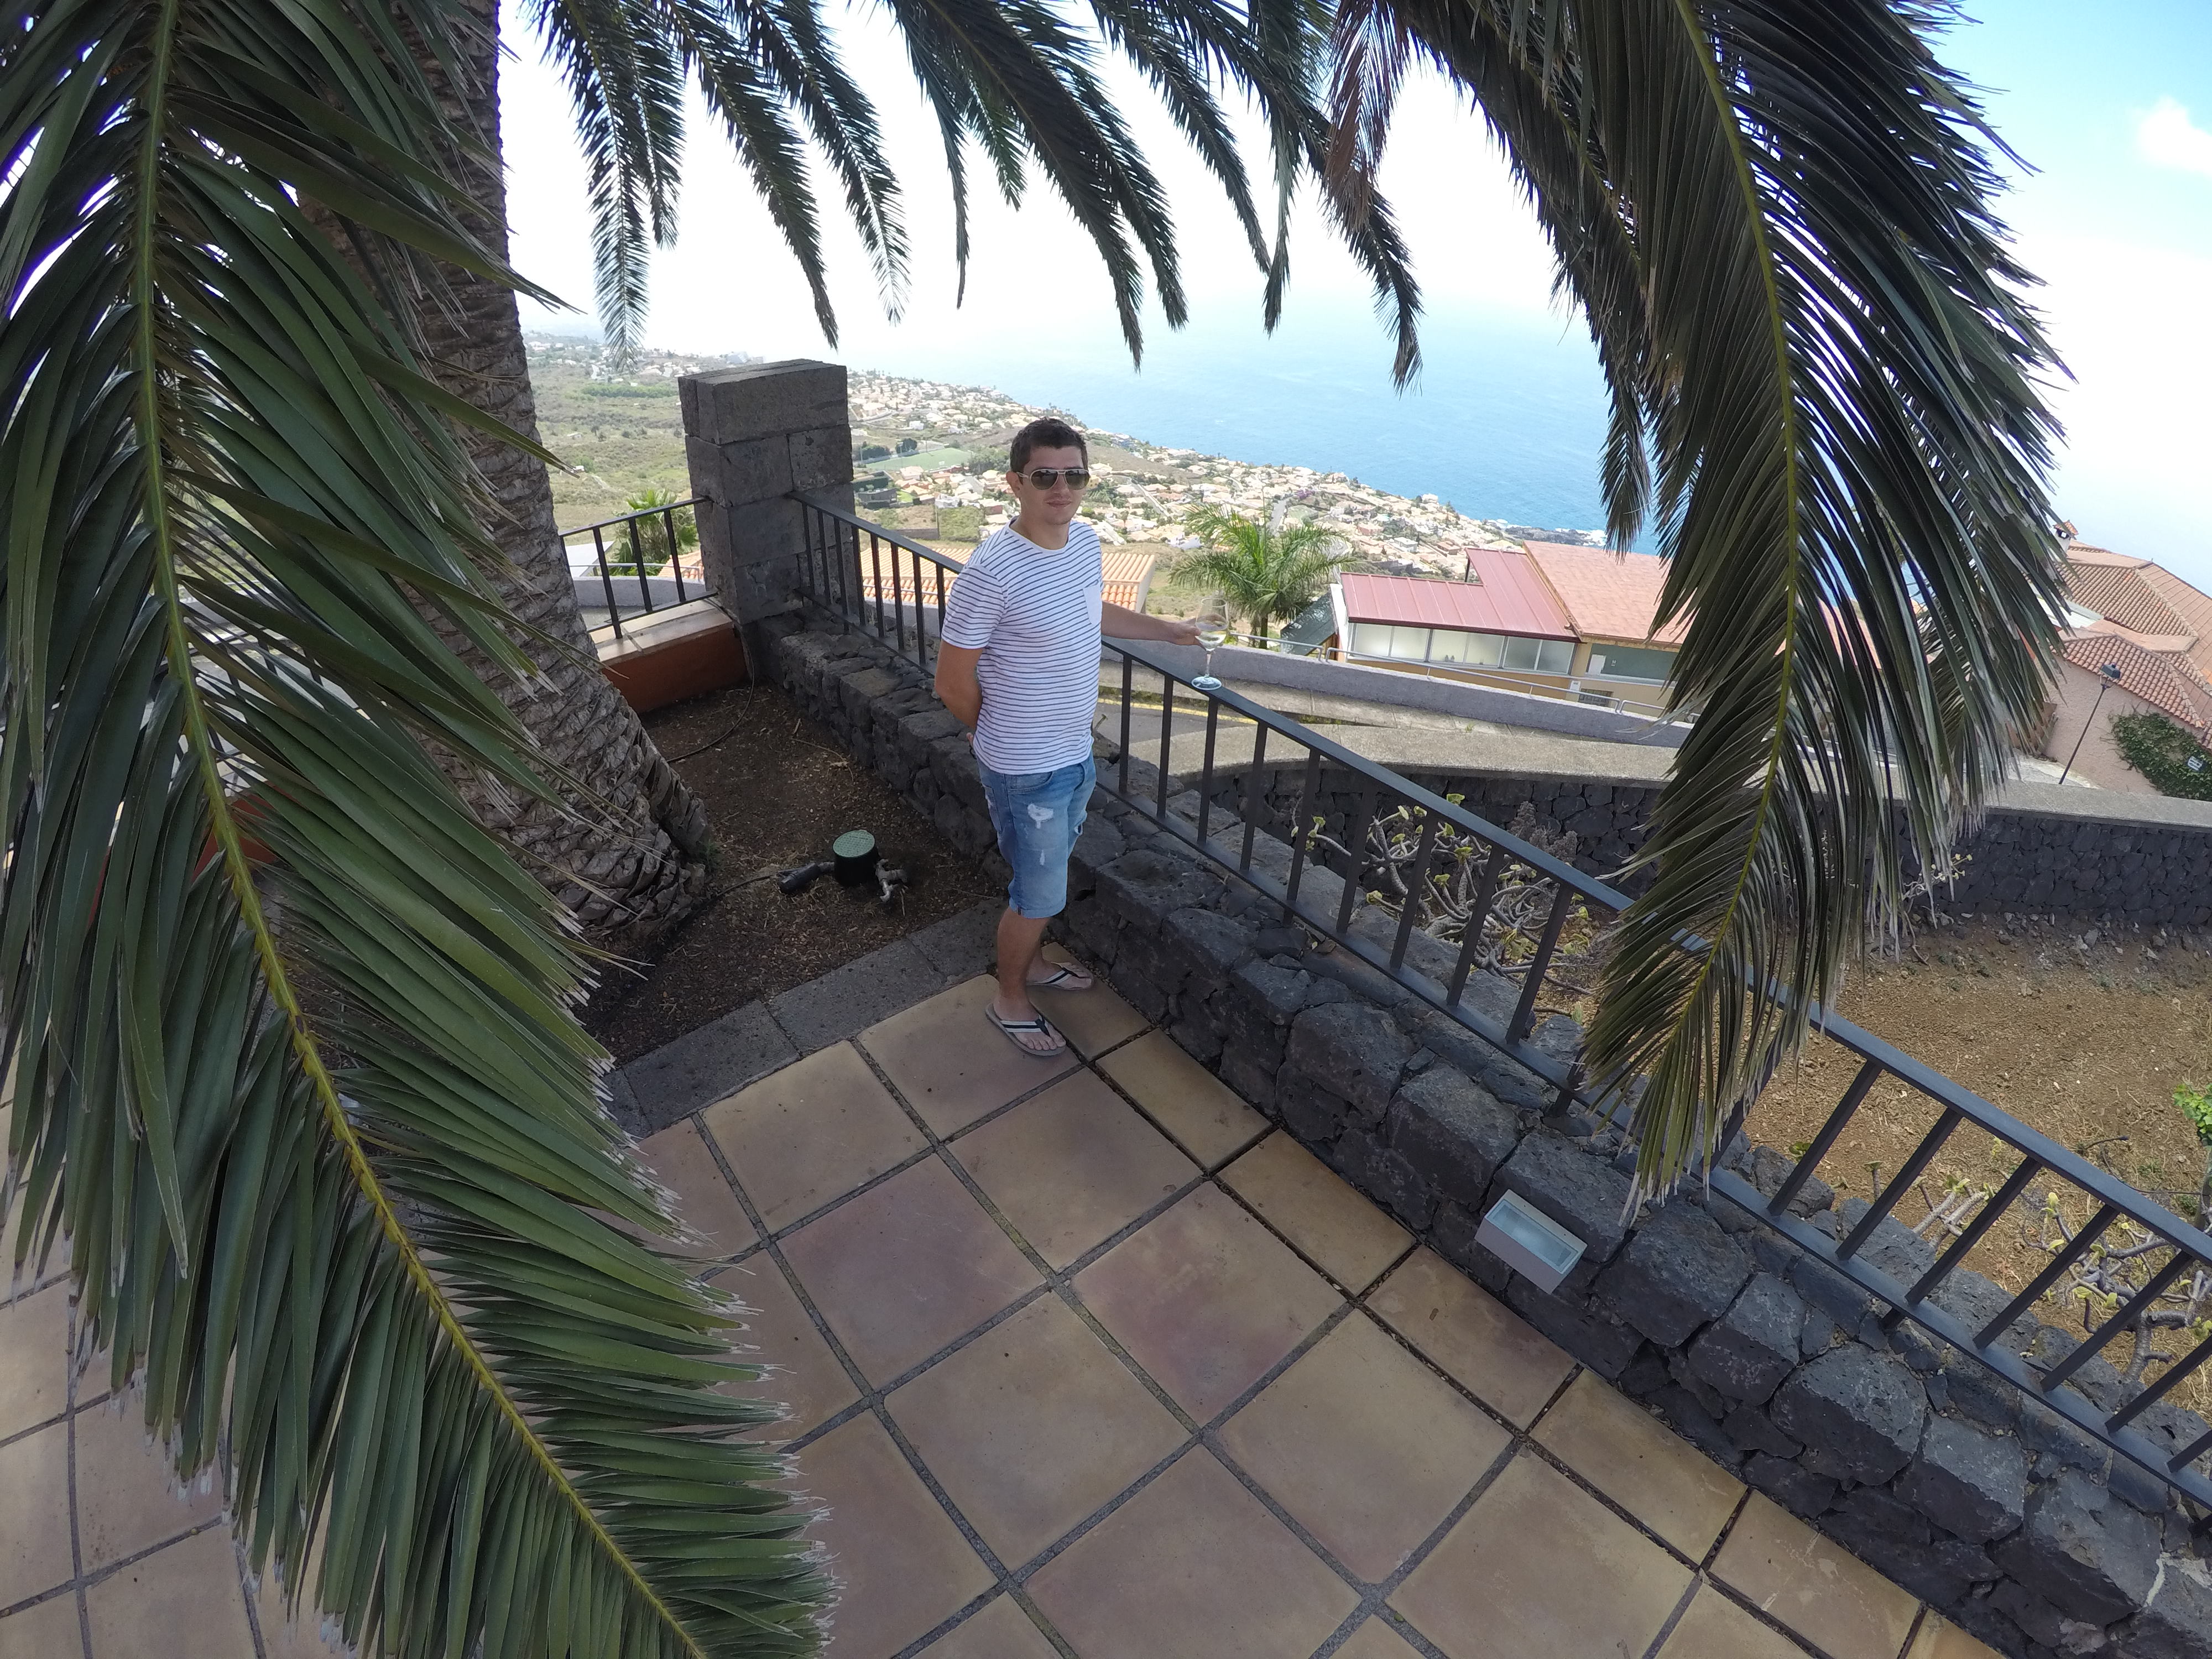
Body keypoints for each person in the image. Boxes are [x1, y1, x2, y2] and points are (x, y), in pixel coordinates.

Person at [935, 416, 1199, 1056]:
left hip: (1074, 753)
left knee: (1038, 878)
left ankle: (1032, 963)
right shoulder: (992, 573)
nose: (1062, 487)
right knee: (1037, 894)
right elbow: (950, 682)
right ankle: (1010, 997)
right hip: (1028, 768)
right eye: (1045, 476)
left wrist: (1166, 630)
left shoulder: (1082, 542)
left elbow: (1090, 609)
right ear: (1015, 483)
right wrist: (994, 734)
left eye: (1074, 474)